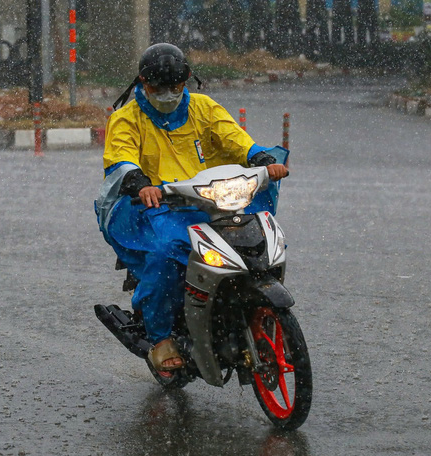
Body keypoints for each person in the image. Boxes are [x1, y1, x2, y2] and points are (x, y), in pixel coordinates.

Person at [95, 43, 289, 375]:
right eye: (160, 87)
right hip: (149, 207)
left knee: (252, 238)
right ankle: (160, 339)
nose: (169, 93)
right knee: (166, 256)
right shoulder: (126, 118)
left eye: (176, 86)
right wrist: (140, 183)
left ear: (187, 81)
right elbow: (121, 157)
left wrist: (260, 158)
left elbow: (233, 138)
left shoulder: (203, 108)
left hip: (207, 201)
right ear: (144, 82)